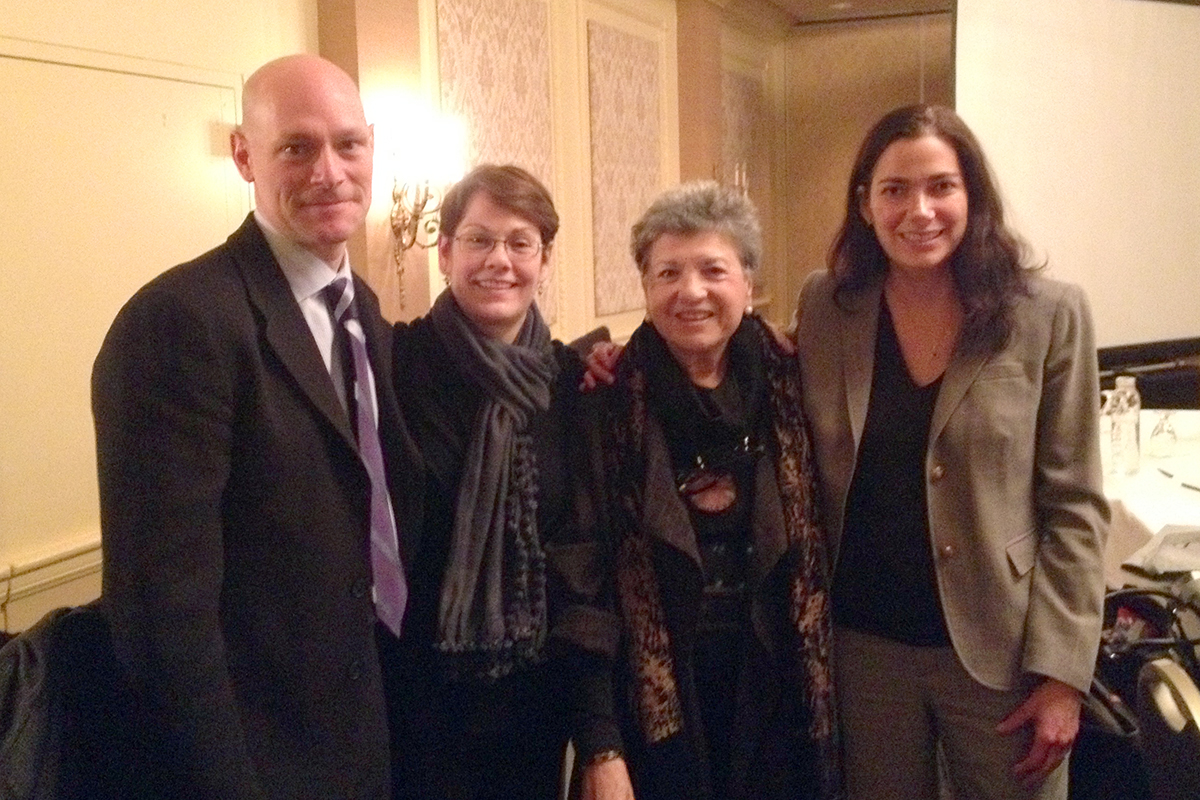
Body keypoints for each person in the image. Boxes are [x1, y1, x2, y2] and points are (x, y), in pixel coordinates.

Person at [92, 54, 421, 799]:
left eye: (348, 144)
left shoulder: (361, 306)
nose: (329, 172)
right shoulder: (180, 322)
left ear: (372, 146)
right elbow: (160, 616)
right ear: (244, 155)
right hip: (259, 756)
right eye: (296, 147)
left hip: (361, 727)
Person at [793, 104, 1109, 800]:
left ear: (973, 195)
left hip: (1003, 650)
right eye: (895, 190)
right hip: (864, 650)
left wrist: (1062, 676)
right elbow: (751, 373)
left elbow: (1077, 506)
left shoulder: (1048, 314)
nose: (920, 210)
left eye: (941, 186)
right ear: (866, 205)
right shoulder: (826, 307)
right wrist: (612, 364)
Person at [581, 181, 840, 800]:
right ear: (644, 287)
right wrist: (598, 739)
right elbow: (584, 571)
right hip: (660, 693)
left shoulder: (799, 378)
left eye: (712, 270)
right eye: (668, 271)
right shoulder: (604, 396)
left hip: (779, 680)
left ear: (748, 283)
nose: (690, 291)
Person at [382, 164, 622, 800]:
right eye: (479, 239)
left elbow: (584, 561)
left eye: (520, 242)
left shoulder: (574, 383)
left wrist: (598, 736)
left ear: (544, 259)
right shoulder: (395, 367)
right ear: (444, 253)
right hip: (412, 699)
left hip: (532, 705)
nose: (500, 260)